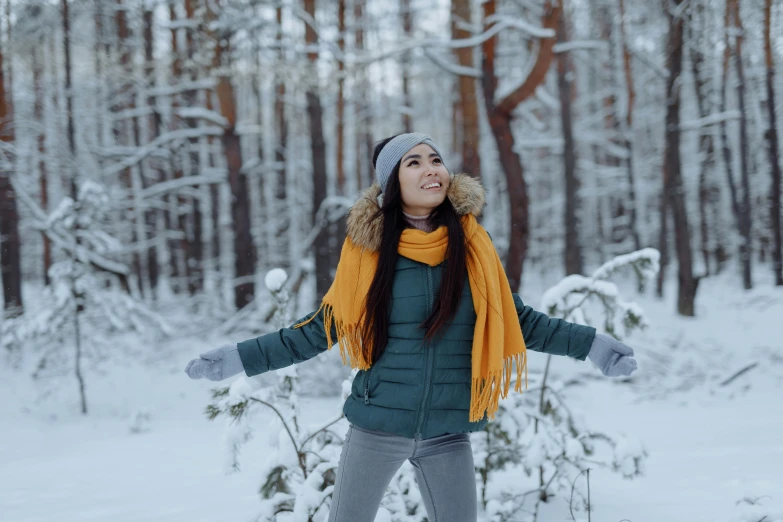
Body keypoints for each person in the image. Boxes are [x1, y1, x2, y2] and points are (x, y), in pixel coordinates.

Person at [185, 132, 637, 522]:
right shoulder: (368, 254)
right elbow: (317, 330)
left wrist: (593, 345)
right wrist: (237, 358)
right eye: (414, 162)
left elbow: (518, 321)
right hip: (376, 427)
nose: (430, 169)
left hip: (448, 433)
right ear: (392, 182)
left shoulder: (473, 247)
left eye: (436, 159)